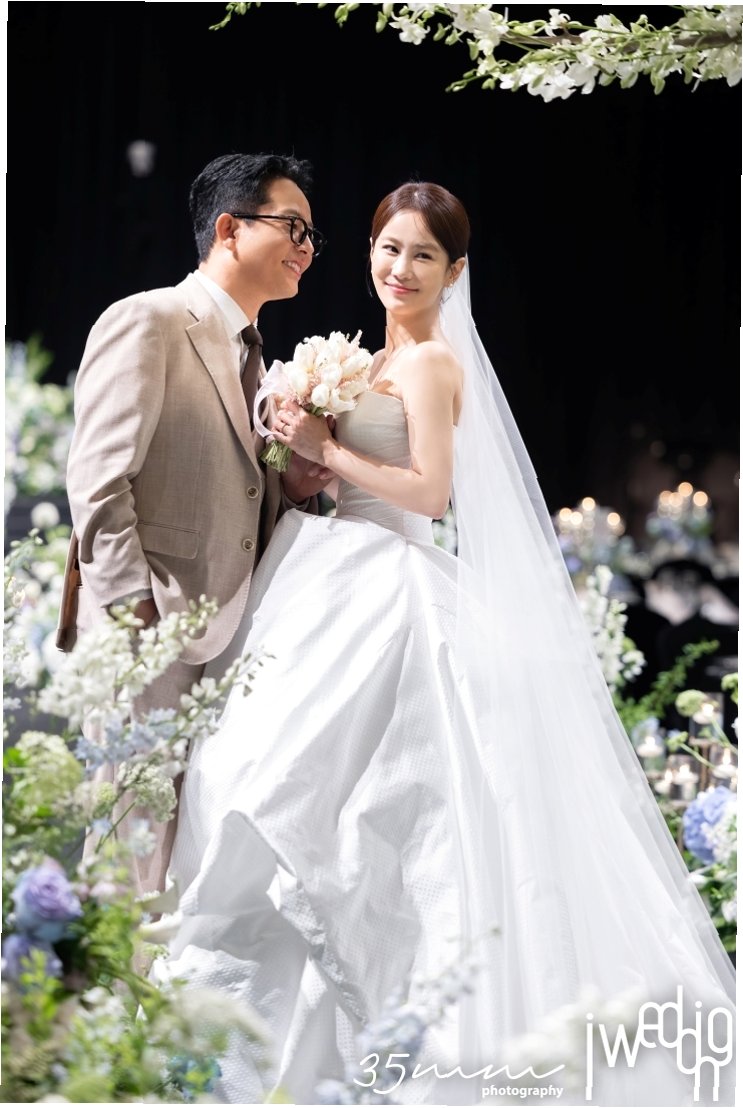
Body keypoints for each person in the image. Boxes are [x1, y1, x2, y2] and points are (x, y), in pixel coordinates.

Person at [154, 183, 736, 1106]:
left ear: (453, 272)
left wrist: (325, 447)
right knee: (272, 780)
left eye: (422, 254)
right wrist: (302, 456)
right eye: (388, 247)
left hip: (388, 579)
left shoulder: (428, 362)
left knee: (343, 802)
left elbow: (428, 492)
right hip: (329, 571)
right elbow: (346, 475)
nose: (400, 267)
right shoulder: (377, 355)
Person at [62, 152, 330, 898]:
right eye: (293, 227)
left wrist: (294, 488)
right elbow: (98, 480)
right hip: (152, 633)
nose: (307, 248)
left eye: (312, 235)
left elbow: (236, 492)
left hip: (231, 636)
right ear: (228, 229)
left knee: (189, 859)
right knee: (127, 853)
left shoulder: (256, 357)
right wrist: (136, 613)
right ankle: (101, 980)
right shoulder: (148, 320)